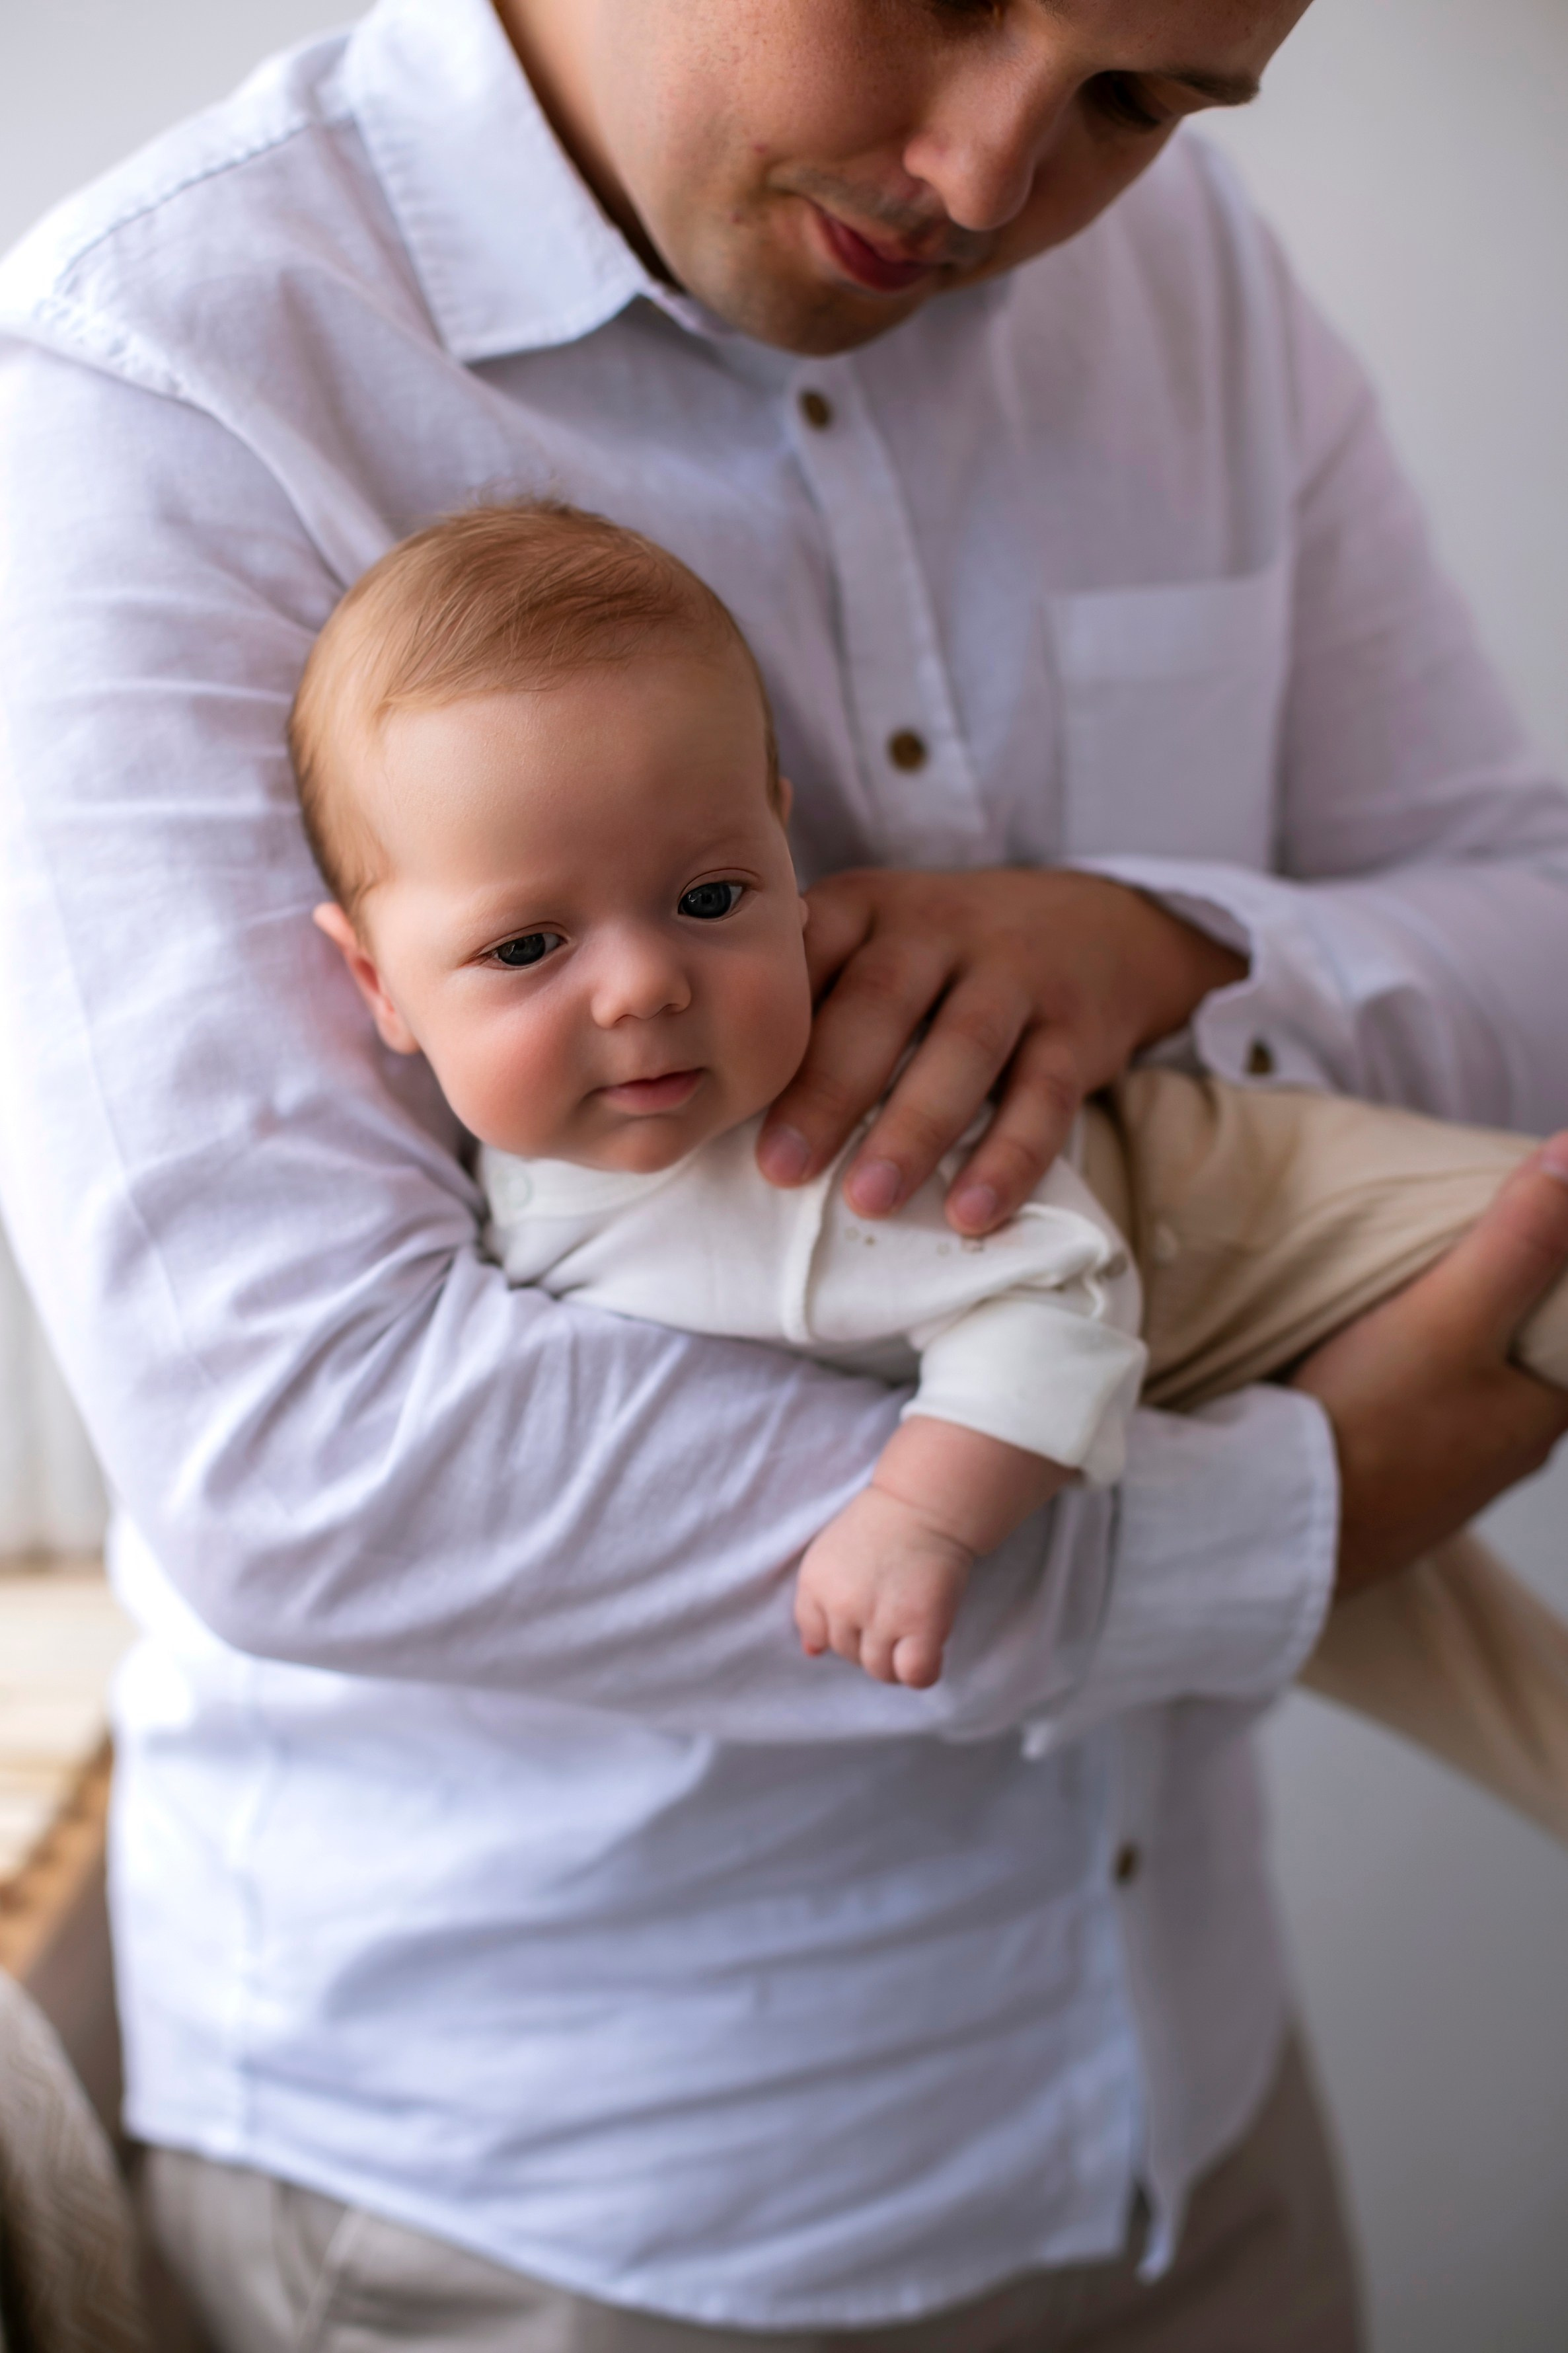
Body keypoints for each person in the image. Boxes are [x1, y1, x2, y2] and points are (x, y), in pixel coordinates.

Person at [2, 0, 1568, 2344]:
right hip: (553, 2214)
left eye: (1146, 96)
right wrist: (1287, 1524)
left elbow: (1518, 913)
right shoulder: (157, 376)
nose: (991, 173)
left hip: (1191, 2126)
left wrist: (1167, 943)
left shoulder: (1195, 284)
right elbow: (304, 1452)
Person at [298, 498, 1568, 1750]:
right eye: (526, 945)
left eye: (709, 894)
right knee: (1512, 1706)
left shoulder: (808, 1149)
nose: (642, 985)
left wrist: (920, 1516)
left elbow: (1053, 1296)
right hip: (1185, 1419)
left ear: (784, 855)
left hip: (1231, 1208)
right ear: (377, 986)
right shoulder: (496, 1218)